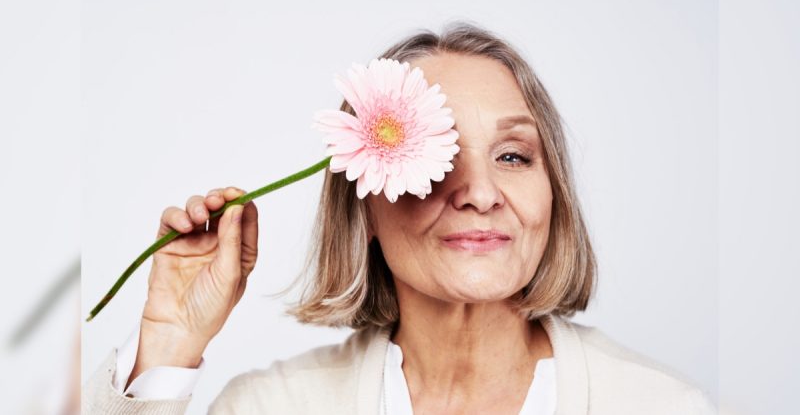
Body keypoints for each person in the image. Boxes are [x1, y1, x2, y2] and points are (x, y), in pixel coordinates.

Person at [82, 22, 716, 414]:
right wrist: (168, 346)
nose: (480, 193)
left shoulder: (662, 408)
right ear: (365, 208)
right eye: (439, 161)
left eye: (514, 155)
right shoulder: (271, 407)